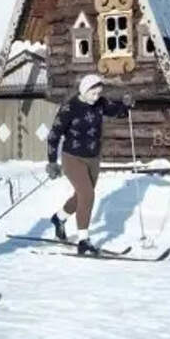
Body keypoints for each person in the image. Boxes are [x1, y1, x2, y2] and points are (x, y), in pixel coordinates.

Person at [46, 73, 133, 256]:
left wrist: (126, 105)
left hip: (93, 158)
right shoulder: (70, 108)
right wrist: (52, 162)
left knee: (82, 196)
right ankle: (83, 241)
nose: (96, 97)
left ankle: (59, 218)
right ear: (84, 91)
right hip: (72, 158)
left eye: (99, 93)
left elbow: (116, 111)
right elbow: (54, 135)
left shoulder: (100, 103)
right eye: (93, 93)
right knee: (87, 194)